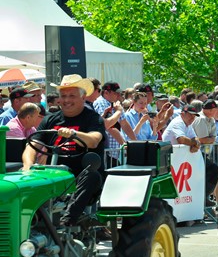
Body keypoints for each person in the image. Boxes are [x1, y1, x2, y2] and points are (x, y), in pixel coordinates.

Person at [22, 74, 107, 228]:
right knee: (27, 178)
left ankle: (66, 222)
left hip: (80, 177)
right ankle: (29, 223)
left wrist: (74, 134)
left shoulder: (93, 119)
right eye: (63, 96)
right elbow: (32, 145)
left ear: (83, 97)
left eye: (72, 95)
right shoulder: (49, 120)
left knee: (91, 175)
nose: (67, 100)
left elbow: (94, 140)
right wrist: (28, 166)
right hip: (53, 176)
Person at [93, 81, 137, 167]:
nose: (118, 95)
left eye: (119, 93)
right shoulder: (101, 103)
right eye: (116, 93)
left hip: (114, 152)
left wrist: (135, 143)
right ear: (106, 92)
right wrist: (124, 144)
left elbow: (124, 124)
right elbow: (108, 126)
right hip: (104, 151)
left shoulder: (115, 104)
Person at [192, 99, 218, 206]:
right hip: (197, 152)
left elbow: (213, 137)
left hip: (205, 152)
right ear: (208, 110)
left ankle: (204, 196)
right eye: (215, 110)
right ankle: (202, 197)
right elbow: (203, 139)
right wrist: (209, 139)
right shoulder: (201, 119)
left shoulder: (211, 120)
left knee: (213, 172)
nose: (217, 112)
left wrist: (210, 139)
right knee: (214, 170)